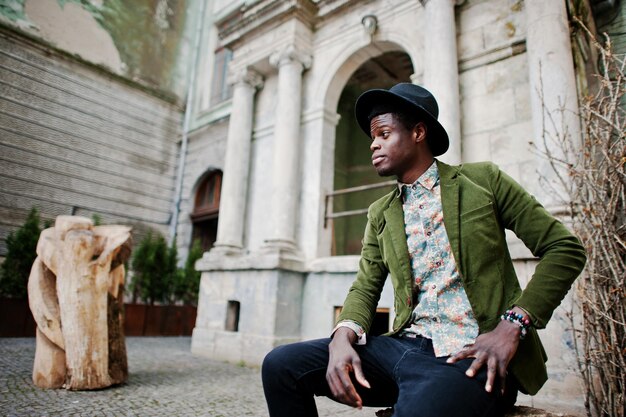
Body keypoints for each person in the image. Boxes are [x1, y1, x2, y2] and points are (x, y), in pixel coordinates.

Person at [261, 83, 586, 417]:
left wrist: (512, 324)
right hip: (401, 347)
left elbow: (564, 248)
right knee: (281, 366)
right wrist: (342, 335)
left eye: (384, 133)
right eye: (373, 137)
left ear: (418, 132)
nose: (373, 144)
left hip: (472, 356)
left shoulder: (483, 181)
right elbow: (366, 285)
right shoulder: (380, 213)